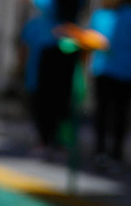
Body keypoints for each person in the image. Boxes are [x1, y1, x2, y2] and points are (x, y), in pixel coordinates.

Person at [88, 0, 131, 166]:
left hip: (127, 72)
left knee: (120, 114)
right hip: (103, 71)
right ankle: (100, 151)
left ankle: (116, 154)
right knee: (102, 113)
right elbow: (89, 41)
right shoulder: (99, 16)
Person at [30, 0, 87, 156]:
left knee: (54, 98)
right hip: (61, 48)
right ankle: (51, 140)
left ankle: (51, 140)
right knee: (56, 97)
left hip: (59, 48)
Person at [18, 1, 58, 149]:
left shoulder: (37, 25)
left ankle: (44, 140)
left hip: (39, 75)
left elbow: (23, 50)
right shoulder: (57, 26)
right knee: (44, 108)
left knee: (39, 108)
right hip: (41, 75)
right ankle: (46, 139)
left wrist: (21, 67)